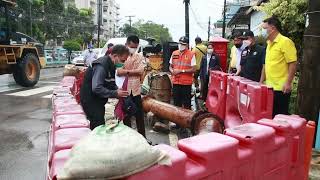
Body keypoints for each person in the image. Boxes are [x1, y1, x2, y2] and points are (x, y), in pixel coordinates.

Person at [80, 45, 130, 130]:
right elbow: (96, 88)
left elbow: (110, 82)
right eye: (122, 60)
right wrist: (115, 93)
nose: (123, 63)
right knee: (98, 125)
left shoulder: (112, 65)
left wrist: (117, 89)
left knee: (99, 123)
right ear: (115, 56)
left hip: (98, 100)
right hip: (91, 100)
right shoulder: (101, 65)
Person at [260, 16, 297, 117]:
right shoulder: (269, 44)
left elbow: (293, 63)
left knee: (279, 117)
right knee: (269, 116)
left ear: (272, 28)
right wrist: (261, 81)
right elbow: (266, 65)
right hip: (269, 87)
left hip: (281, 88)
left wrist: (288, 83)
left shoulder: (285, 42)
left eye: (264, 29)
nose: (262, 32)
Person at [116, 35, 147, 137]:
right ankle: (128, 138)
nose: (133, 49)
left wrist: (126, 71)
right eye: (132, 46)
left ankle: (143, 138)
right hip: (123, 90)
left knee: (139, 115)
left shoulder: (139, 56)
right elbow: (118, 72)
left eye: (135, 47)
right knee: (126, 116)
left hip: (136, 90)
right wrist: (133, 72)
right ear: (127, 44)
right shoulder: (120, 56)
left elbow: (141, 71)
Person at [169, 36, 196, 109]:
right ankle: (177, 119)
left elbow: (194, 69)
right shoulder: (174, 53)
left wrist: (181, 71)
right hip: (176, 82)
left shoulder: (191, 54)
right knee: (176, 103)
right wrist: (172, 71)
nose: (181, 45)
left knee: (186, 103)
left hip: (186, 83)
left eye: (183, 44)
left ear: (187, 45)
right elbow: (170, 66)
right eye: (180, 43)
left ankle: (187, 119)